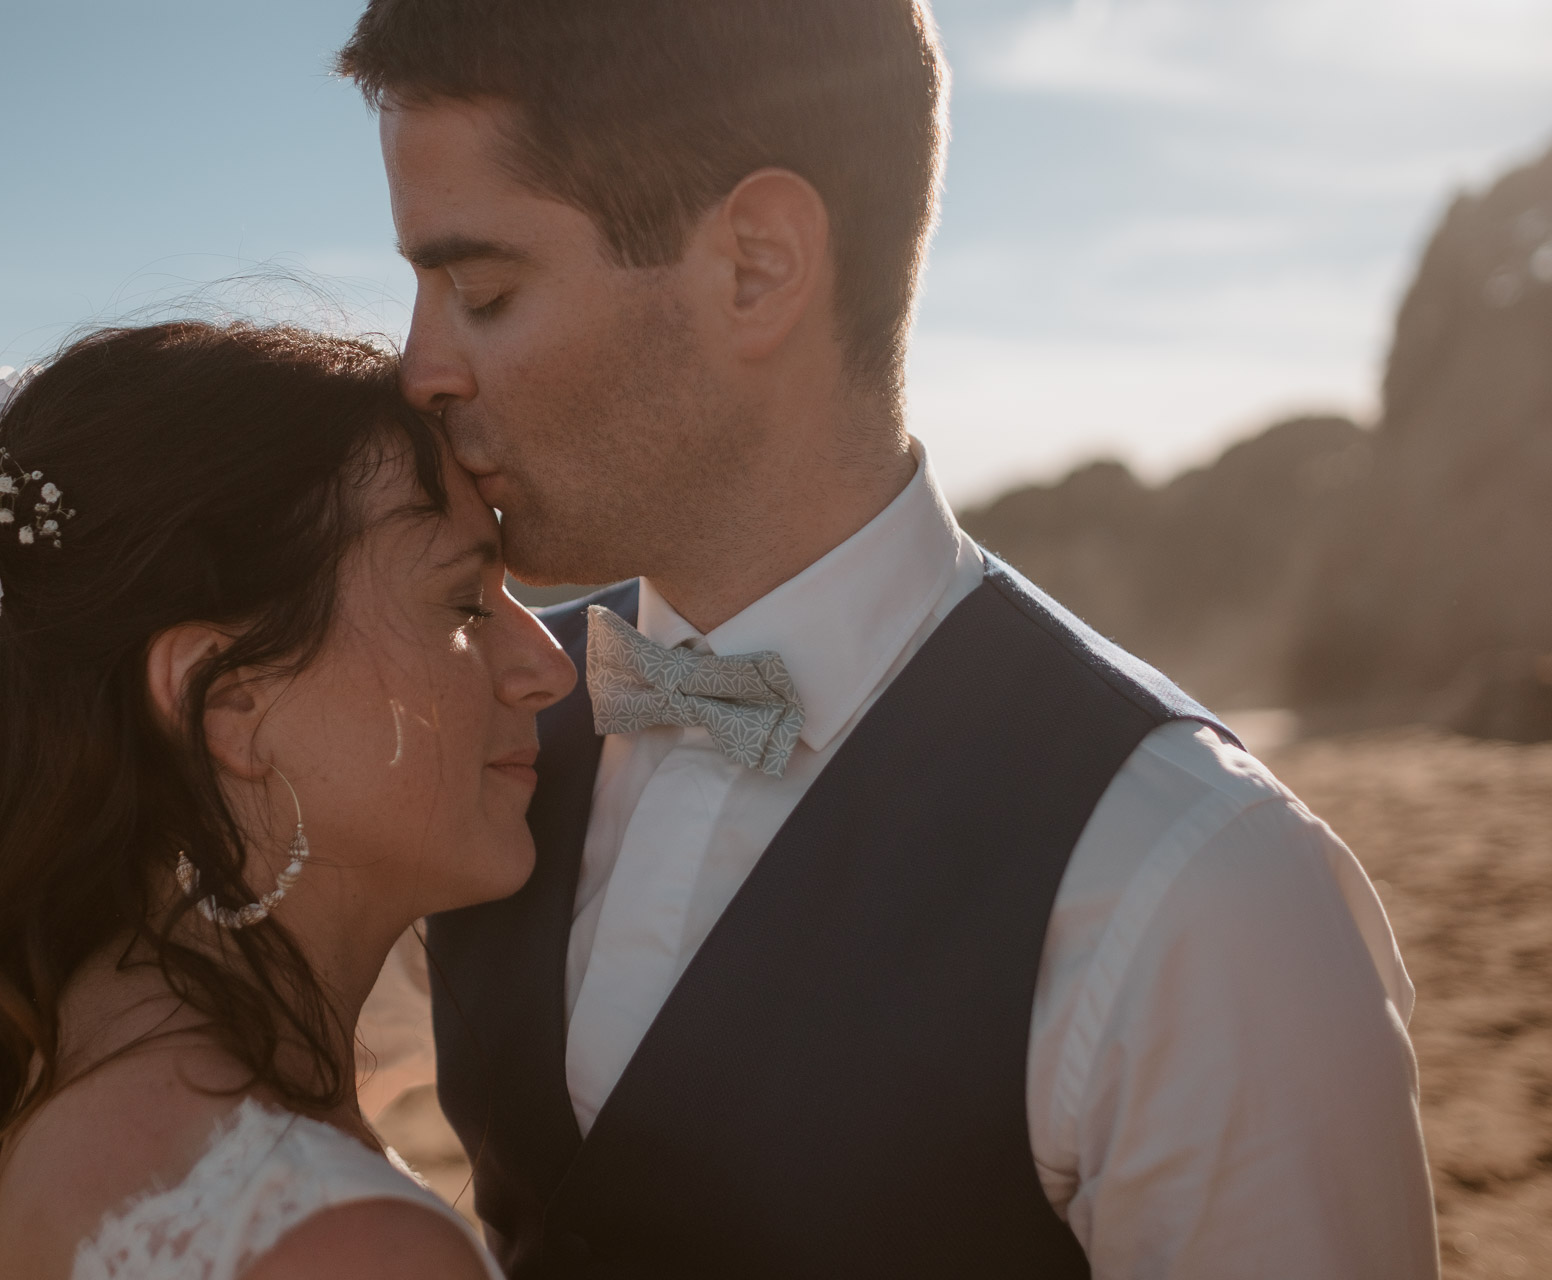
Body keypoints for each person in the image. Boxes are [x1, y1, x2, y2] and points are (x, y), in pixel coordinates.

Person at [338, 1, 1441, 1276]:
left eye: (481, 289)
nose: (417, 366)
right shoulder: (479, 705)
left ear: (755, 264)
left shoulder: (1202, 889)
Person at [0, 322, 572, 1280]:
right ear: (229, 698)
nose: (549, 667)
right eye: (465, 604)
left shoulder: (73, 1060)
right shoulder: (350, 1251)